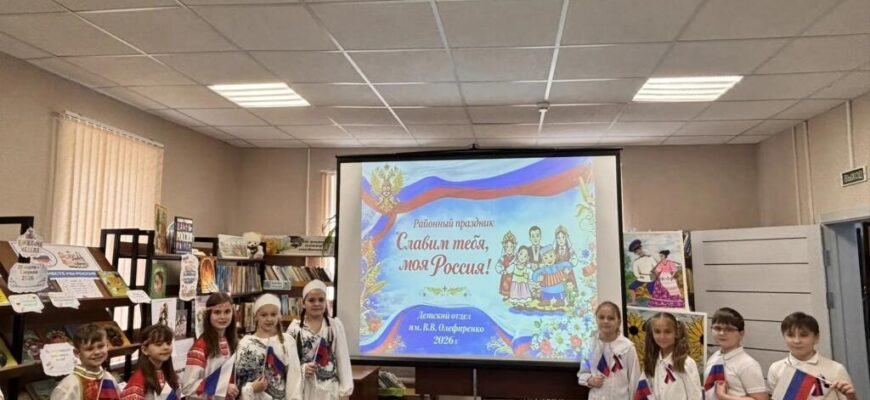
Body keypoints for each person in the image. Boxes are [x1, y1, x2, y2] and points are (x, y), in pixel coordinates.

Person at [287, 280, 353, 400]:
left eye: (321, 300)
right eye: (311, 300)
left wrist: (345, 393)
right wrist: (302, 369)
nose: (317, 303)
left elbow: (343, 360)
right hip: (304, 391)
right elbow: (288, 361)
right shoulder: (295, 328)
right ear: (303, 303)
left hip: (329, 392)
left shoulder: (335, 326)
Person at [767, 312, 856, 400]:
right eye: (790, 335)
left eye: (803, 335)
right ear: (784, 337)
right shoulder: (776, 368)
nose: (797, 341)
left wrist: (851, 396)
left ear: (816, 338)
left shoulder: (836, 369)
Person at [235, 294, 302, 400]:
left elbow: (294, 379)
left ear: (279, 315)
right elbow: (239, 379)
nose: (269, 319)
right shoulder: (245, 343)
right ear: (256, 316)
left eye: (273, 314)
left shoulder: (287, 341)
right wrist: (251, 389)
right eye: (264, 315)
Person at [181, 292, 240, 400]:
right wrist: (222, 387)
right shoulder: (201, 346)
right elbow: (188, 387)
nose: (222, 317)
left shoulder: (232, 341)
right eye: (217, 312)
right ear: (208, 315)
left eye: (227, 311)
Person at [578, 302, 641, 399]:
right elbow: (582, 373)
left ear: (618, 322)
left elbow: (634, 380)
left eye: (610, 318)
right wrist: (590, 380)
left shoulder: (628, 348)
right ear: (596, 319)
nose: (605, 321)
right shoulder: (589, 345)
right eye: (601, 317)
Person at [703, 308, 768, 400]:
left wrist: (723, 397)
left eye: (729, 329)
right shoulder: (714, 357)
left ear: (741, 333)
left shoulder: (748, 364)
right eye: (717, 328)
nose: (722, 333)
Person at [51, 323, 121, 400]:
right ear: (77, 353)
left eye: (101, 346)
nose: (97, 352)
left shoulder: (109, 378)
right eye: (89, 349)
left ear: (107, 346)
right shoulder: (69, 385)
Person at [643, 312, 702, 400]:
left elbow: (695, 396)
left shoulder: (687, 363)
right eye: (657, 332)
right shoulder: (653, 360)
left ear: (676, 333)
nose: (662, 336)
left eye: (667, 332)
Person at [121, 325, 180, 400]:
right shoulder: (138, 381)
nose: (166, 347)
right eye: (159, 344)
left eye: (168, 343)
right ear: (144, 350)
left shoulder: (169, 374)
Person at [627, 239, 657, 305]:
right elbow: (635, 272)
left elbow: (655, 267)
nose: (638, 252)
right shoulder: (636, 262)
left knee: (651, 288)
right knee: (631, 287)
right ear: (635, 253)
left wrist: (654, 275)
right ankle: (634, 301)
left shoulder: (650, 258)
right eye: (636, 251)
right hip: (642, 278)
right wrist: (640, 277)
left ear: (641, 248)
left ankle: (654, 302)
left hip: (651, 277)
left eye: (639, 249)